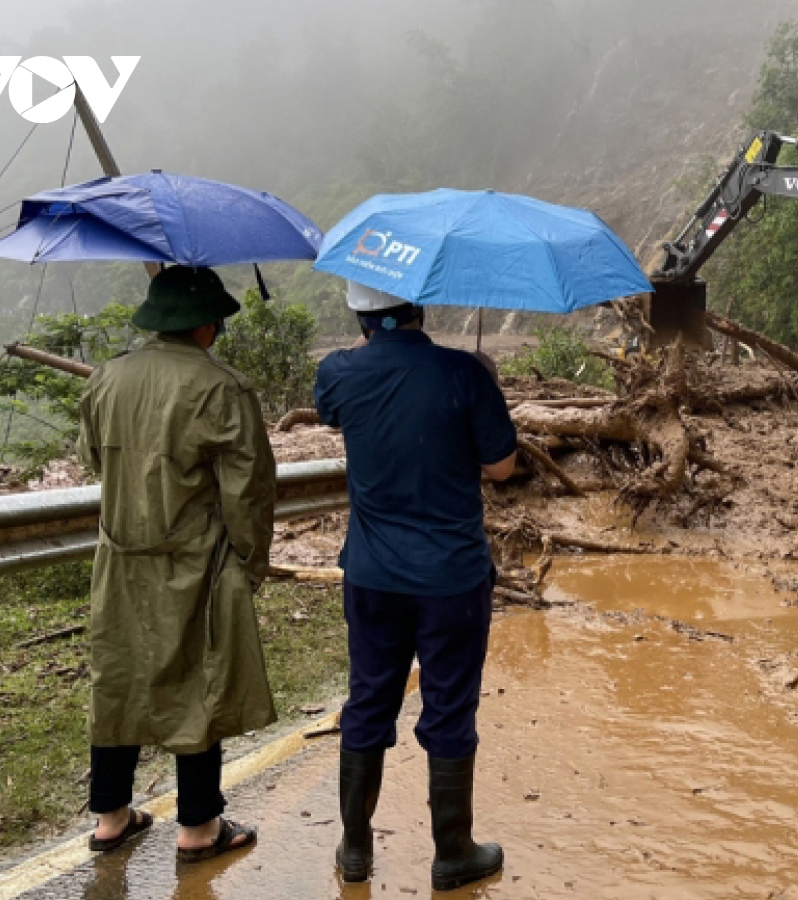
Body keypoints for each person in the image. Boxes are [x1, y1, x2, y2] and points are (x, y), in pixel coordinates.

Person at [314, 282, 517, 889]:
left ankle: (355, 849)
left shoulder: (338, 373)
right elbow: (502, 468)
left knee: (368, 698)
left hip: (373, 575)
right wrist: (480, 386)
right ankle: (452, 853)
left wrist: (370, 340)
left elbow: (331, 411)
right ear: (421, 309)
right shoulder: (464, 372)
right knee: (450, 704)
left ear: (362, 316)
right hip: (452, 577)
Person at [76, 266, 277, 862]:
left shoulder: (105, 379)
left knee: (116, 678)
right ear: (207, 325)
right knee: (199, 677)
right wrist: (250, 561)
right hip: (196, 560)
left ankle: (112, 817)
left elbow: (94, 461)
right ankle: (198, 828)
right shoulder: (223, 388)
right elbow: (249, 490)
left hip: (118, 559)